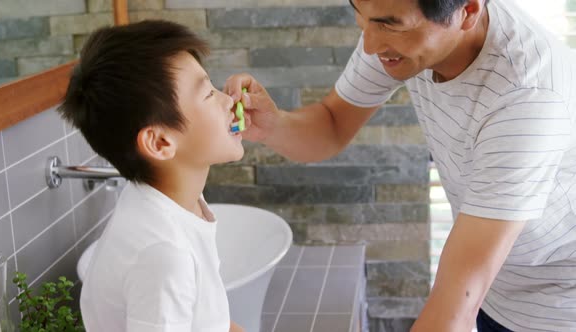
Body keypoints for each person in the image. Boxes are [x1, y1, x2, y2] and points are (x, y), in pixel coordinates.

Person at [224, 0, 576, 330]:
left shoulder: (526, 96)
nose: (369, 46)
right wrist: (273, 125)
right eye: (362, 18)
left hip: (555, 307)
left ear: (467, 10)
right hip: (499, 286)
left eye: (388, 26)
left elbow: (457, 301)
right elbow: (331, 125)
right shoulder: (400, 29)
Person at [58, 20, 245, 332]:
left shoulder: (172, 198)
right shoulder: (163, 255)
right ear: (160, 143)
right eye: (209, 95)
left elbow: (209, 319)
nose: (229, 101)